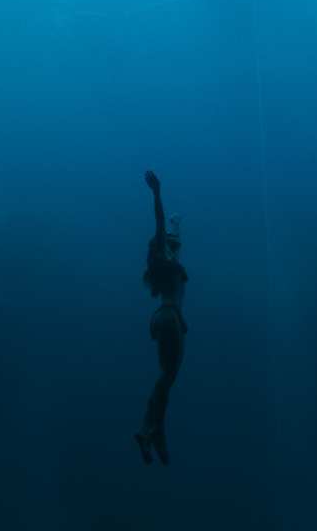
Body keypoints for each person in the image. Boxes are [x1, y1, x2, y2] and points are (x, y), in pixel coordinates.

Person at [135, 170, 188, 465]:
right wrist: (157, 192)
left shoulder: (163, 265)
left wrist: (175, 224)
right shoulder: (164, 258)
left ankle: (156, 432)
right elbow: (160, 222)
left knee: (166, 379)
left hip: (162, 319)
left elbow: (171, 233)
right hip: (168, 318)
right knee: (167, 378)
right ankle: (147, 429)